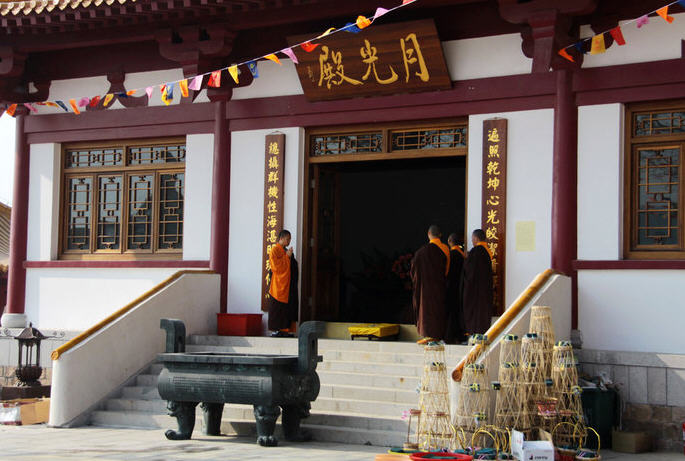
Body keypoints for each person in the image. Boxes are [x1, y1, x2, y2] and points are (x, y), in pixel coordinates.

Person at [410, 224, 450, 344]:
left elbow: (413, 273)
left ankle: (428, 335)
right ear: (440, 235)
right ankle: (438, 335)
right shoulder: (445, 249)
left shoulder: (420, 253)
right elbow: (447, 270)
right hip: (440, 286)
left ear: (428, 235)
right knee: (439, 309)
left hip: (425, 289)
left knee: (426, 310)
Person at [461, 229, 494, 336]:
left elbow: (469, 271)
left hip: (475, 290)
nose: (472, 240)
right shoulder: (488, 251)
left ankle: (474, 333)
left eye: (472, 238)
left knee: (475, 312)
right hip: (485, 289)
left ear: (476, 238)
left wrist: (466, 259)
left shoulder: (476, 251)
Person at [268, 229, 299, 337]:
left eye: (290, 239)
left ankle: (286, 330)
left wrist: (290, 257)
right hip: (278, 285)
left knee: (288, 308)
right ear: (281, 238)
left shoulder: (285, 251)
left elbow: (292, 266)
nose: (289, 241)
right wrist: (287, 257)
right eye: (287, 239)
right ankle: (277, 330)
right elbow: (276, 267)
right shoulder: (275, 250)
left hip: (288, 285)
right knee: (278, 309)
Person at [444, 233, 466, 344]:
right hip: (461, 288)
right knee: (458, 312)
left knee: (451, 313)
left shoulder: (451, 255)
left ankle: (450, 336)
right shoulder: (463, 255)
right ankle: (459, 335)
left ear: (449, 241)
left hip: (451, 287)